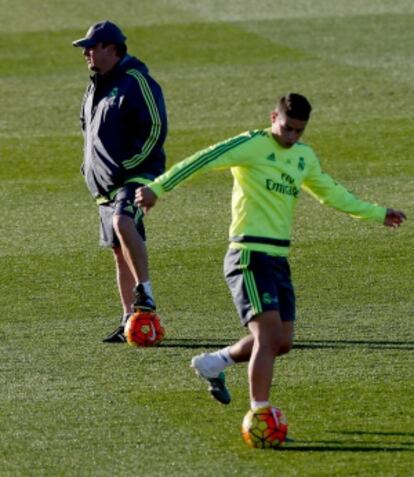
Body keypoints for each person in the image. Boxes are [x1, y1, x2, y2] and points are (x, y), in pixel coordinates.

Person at [135, 93, 406, 413]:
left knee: (282, 342)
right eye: (287, 128)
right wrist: (158, 188)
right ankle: (260, 413)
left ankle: (213, 363)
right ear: (272, 118)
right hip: (247, 255)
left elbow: (332, 194)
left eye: (299, 131)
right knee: (267, 335)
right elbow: (204, 159)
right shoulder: (251, 145)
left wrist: (377, 213)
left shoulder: (304, 157)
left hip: (277, 260)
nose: (291, 137)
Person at [73, 21, 168, 343]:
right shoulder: (95, 85)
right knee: (117, 248)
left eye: (92, 46)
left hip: (134, 174)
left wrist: (127, 166)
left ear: (111, 49)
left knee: (123, 221)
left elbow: (155, 127)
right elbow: (88, 131)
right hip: (103, 183)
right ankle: (130, 318)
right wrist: (90, 170)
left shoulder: (136, 81)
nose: (86, 52)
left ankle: (146, 294)